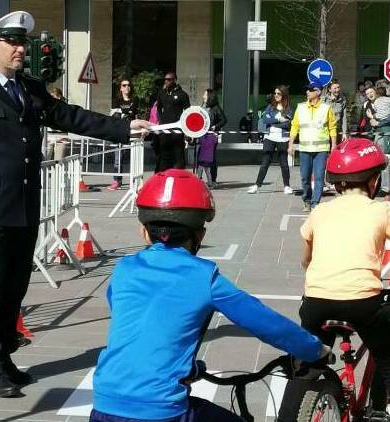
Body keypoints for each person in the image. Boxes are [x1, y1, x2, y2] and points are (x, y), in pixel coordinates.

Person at [0, 10, 151, 398]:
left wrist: (123, 127)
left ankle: (4, 357)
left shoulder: (29, 88)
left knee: (15, 285)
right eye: (13, 43)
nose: (21, 50)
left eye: (24, 43)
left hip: (23, 202)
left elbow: (70, 117)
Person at [91, 169, 331, 422]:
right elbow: (266, 323)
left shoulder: (123, 269)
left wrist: (189, 367)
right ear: (200, 235)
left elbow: (139, 325)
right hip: (161, 411)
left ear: (144, 231)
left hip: (104, 405)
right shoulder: (204, 277)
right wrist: (314, 349)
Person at [279, 139, 390, 421]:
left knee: (306, 364)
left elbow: (306, 260)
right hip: (363, 302)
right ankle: (379, 409)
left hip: (317, 302)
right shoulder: (381, 210)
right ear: (374, 180)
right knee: (387, 354)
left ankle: (288, 415)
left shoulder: (320, 211)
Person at [288, 82, 337, 212]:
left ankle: (315, 203)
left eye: (311, 90)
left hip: (321, 150)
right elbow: (294, 126)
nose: (307, 92)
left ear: (319, 92)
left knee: (319, 177)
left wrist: (334, 145)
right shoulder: (301, 107)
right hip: (305, 149)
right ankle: (307, 199)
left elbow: (332, 127)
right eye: (307, 89)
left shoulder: (326, 108)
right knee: (305, 177)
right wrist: (291, 143)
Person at [247, 85, 293, 195]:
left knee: (284, 163)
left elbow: (287, 123)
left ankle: (287, 186)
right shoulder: (270, 106)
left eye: (278, 94)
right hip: (269, 137)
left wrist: (274, 123)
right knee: (265, 162)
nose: (276, 95)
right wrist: (278, 119)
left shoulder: (289, 109)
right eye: (275, 93)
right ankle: (257, 185)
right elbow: (265, 120)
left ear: (284, 95)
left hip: (282, 138)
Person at [154, 72, 190, 172]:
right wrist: (161, 123)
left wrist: (186, 130)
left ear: (174, 80)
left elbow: (188, 112)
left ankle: (179, 178)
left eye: (169, 79)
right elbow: (158, 108)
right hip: (164, 129)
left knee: (178, 155)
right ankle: (162, 177)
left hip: (177, 130)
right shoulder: (161, 93)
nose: (166, 81)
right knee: (164, 155)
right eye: (165, 79)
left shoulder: (182, 94)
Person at [108, 78, 138, 190]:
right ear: (120, 88)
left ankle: (135, 179)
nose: (127, 87)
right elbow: (114, 114)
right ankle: (117, 180)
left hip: (131, 130)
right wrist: (125, 113)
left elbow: (133, 114)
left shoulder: (134, 100)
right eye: (124, 85)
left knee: (134, 156)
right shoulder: (116, 101)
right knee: (118, 157)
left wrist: (123, 113)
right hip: (119, 130)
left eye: (128, 85)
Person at [201, 89, 227, 185]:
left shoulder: (216, 108)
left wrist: (215, 126)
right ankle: (201, 178)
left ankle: (213, 179)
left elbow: (224, 120)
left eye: (205, 94)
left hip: (211, 136)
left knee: (211, 158)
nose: (203, 96)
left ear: (210, 97)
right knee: (202, 158)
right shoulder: (202, 107)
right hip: (202, 136)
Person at [322, 79, 349, 143]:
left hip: (337, 131)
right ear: (330, 89)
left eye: (338, 87)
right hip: (325, 131)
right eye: (335, 88)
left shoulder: (343, 100)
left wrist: (344, 132)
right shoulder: (324, 100)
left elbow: (344, 117)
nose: (337, 90)